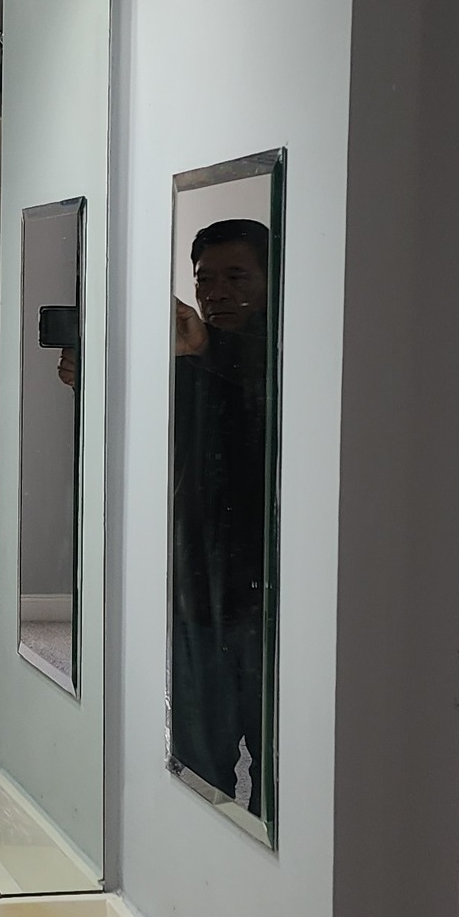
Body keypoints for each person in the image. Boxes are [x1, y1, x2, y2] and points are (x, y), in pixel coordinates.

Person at [168, 216, 274, 816]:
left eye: (236, 276)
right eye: (204, 279)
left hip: (268, 601)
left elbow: (258, 375)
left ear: (270, 279)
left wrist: (206, 349)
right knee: (196, 765)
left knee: (277, 769)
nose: (215, 292)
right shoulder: (189, 354)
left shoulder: (287, 354)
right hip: (196, 589)